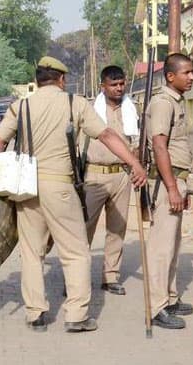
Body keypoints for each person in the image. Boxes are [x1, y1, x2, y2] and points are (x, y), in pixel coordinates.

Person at [0, 56, 147, 333]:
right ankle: (76, 315)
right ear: (61, 79)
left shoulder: (21, 105)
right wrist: (134, 163)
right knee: (76, 252)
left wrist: (4, 171)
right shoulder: (74, 103)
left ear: (37, 80)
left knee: (31, 252)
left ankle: (36, 313)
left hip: (26, 188)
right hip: (61, 187)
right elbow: (107, 135)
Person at [145, 53, 193, 330]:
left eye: (192, 72)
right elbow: (159, 146)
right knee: (161, 249)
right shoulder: (163, 103)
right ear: (170, 76)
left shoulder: (176, 100)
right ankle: (157, 306)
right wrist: (173, 188)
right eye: (186, 72)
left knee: (174, 245)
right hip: (168, 182)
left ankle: (170, 297)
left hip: (177, 180)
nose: (191, 77)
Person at [82, 65, 138, 296]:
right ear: (102, 86)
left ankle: (110, 276)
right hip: (94, 175)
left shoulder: (131, 108)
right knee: (84, 229)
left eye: (121, 84)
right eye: (113, 85)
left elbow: (136, 140)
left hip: (122, 175)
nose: (118, 88)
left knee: (117, 228)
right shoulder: (88, 110)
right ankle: (77, 278)